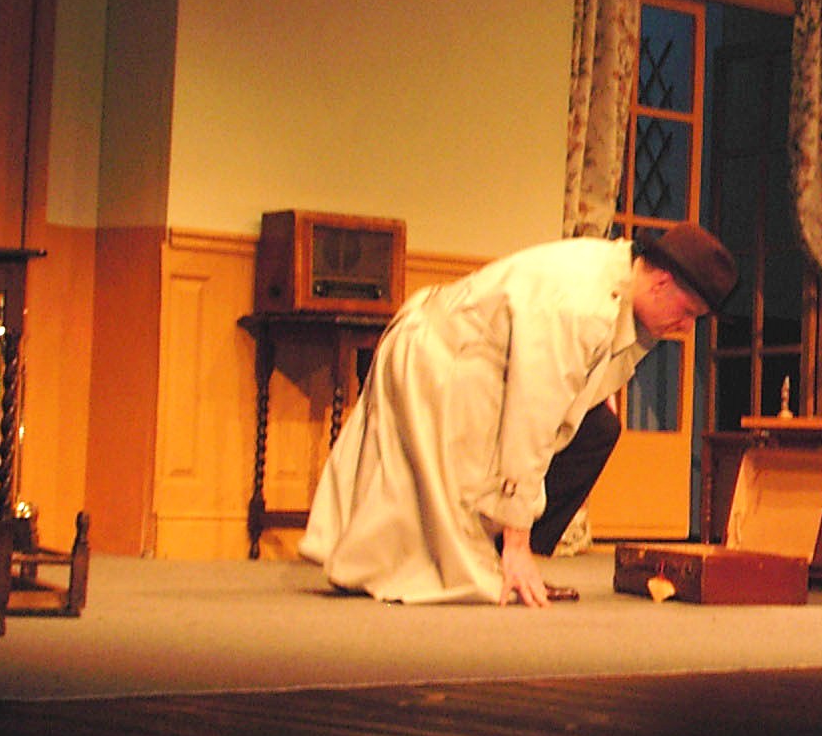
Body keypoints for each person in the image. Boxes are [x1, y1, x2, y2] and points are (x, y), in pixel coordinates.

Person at [302, 223, 737, 607]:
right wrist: (516, 537)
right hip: (446, 354)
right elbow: (532, 418)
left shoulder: (625, 278)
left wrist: (590, 392)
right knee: (468, 499)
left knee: (597, 429)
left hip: (494, 362)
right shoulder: (581, 304)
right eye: (688, 313)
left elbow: (578, 373)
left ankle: (509, 562)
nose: (686, 328)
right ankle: (503, 559)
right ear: (661, 283)